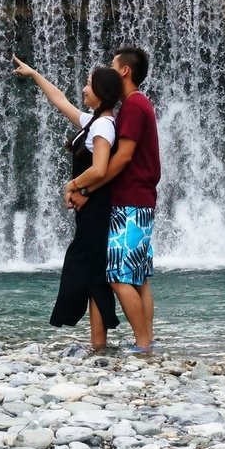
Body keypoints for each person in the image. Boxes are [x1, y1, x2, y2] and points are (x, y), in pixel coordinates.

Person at [12, 54, 123, 350]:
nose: (83, 89)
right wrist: (34, 74)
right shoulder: (95, 122)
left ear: (101, 92)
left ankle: (100, 342)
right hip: (92, 207)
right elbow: (60, 101)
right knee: (92, 273)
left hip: (98, 209)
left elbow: (99, 169)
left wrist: (71, 186)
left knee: (87, 269)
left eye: (88, 85)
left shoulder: (103, 127)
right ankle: (97, 342)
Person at [67, 47, 160, 354]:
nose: (107, 70)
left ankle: (143, 345)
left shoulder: (133, 106)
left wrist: (84, 189)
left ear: (124, 72)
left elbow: (121, 159)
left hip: (130, 201)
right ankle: (146, 340)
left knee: (120, 277)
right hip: (141, 200)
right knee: (139, 279)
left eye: (112, 65)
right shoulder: (137, 104)